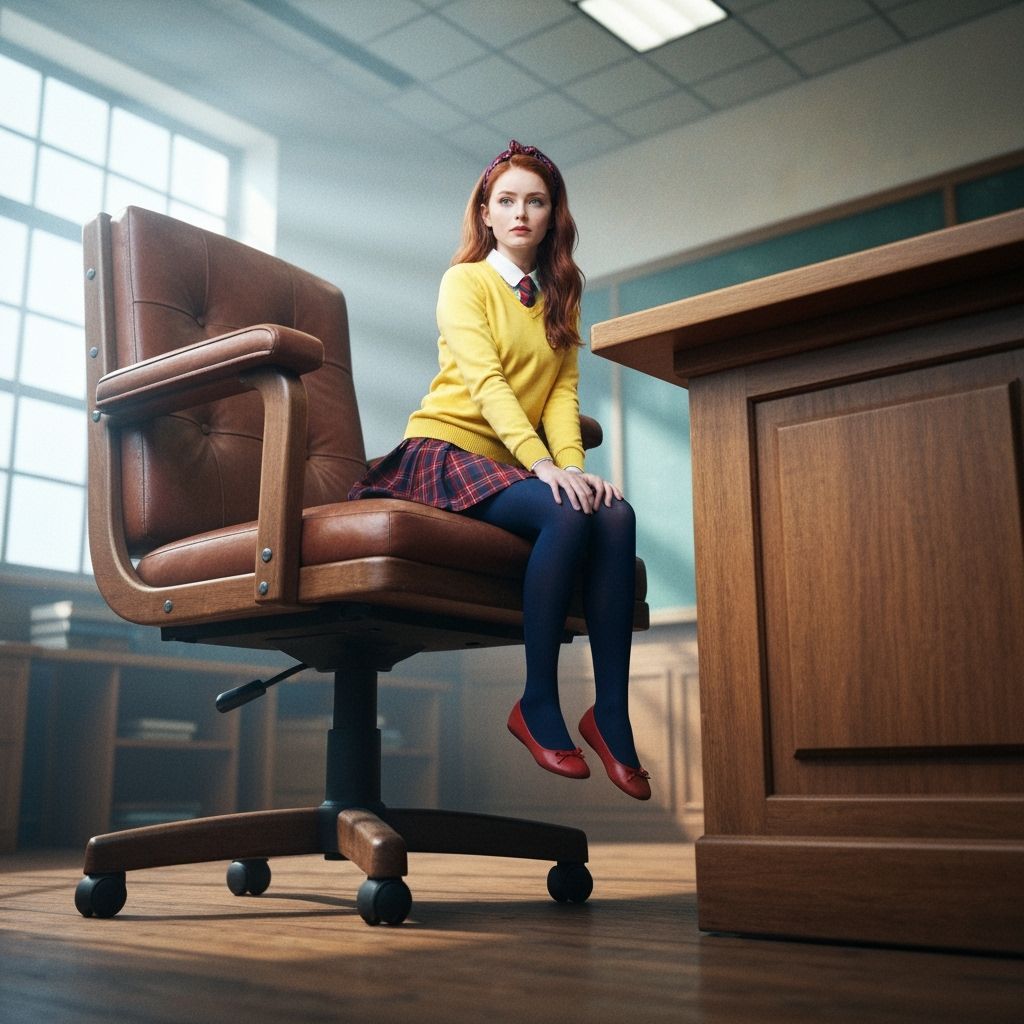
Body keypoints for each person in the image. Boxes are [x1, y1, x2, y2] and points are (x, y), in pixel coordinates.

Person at [348, 140, 650, 800]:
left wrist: (574, 467)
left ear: (551, 215)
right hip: (447, 452)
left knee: (615, 512)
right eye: (506, 201)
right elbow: (486, 384)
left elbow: (563, 398)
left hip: (512, 466)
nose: (520, 213)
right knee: (568, 508)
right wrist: (545, 467)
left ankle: (610, 714)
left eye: (534, 202)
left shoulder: (561, 295)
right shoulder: (465, 281)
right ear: (485, 213)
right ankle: (536, 703)